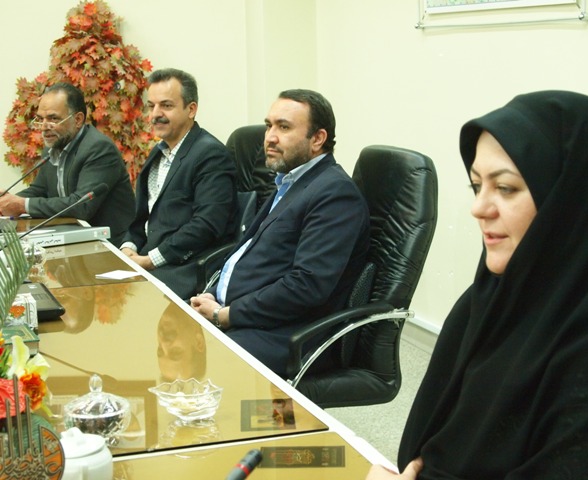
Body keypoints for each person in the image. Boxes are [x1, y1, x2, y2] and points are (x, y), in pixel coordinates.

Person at [367, 90, 588, 479]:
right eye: (477, 185)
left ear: (578, 200)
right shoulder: (485, 302)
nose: (479, 208)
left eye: (506, 188)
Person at [190, 89, 370, 377]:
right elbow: (252, 253)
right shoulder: (291, 182)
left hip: (289, 334)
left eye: (283, 127)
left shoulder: (335, 193)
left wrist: (226, 314)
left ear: (317, 139)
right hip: (249, 314)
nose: (270, 137)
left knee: (194, 367)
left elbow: (306, 285)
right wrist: (214, 295)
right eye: (269, 125)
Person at [120, 68, 237, 299]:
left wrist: (149, 260)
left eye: (166, 105)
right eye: (151, 106)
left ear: (191, 109)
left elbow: (206, 225)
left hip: (183, 268)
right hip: (146, 260)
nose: (155, 114)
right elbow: (143, 218)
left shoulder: (210, 155)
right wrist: (128, 248)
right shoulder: (158, 153)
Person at [0, 82, 135, 246]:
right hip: (73, 237)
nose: (44, 127)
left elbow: (82, 206)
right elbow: (40, 190)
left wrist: (22, 205)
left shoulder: (98, 148)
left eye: (53, 119)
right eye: (40, 119)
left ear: (77, 120)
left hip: (110, 243)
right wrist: (7, 202)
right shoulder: (53, 146)